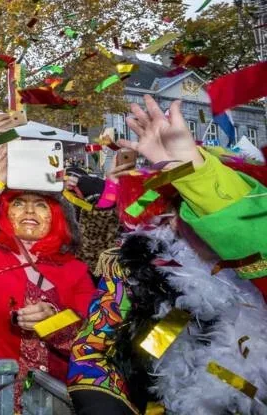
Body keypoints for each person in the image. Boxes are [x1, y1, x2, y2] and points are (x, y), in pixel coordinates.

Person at [68, 96, 267, 415]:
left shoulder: (258, 274)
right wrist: (181, 312)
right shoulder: (135, 268)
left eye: (199, 207)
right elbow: (101, 353)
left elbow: (249, 388)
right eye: (181, 206)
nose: (189, 219)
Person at [0, 140, 95, 407]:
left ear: (56, 215)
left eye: (40, 204)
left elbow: (90, 338)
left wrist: (53, 320)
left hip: (51, 399)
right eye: (18, 203)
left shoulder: (75, 271)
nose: (29, 210)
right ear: (5, 211)